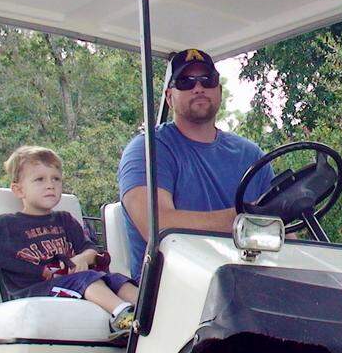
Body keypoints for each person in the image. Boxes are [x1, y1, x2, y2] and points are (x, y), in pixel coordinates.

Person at [117, 48, 274, 277]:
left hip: (248, 282)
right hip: (173, 288)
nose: (198, 87)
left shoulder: (252, 155)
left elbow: (284, 231)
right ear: (169, 97)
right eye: (185, 82)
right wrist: (247, 219)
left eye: (207, 80)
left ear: (219, 90)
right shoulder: (148, 149)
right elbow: (158, 226)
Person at [0, 146, 138, 336]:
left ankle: (149, 314)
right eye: (40, 179)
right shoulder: (6, 226)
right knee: (86, 278)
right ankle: (123, 315)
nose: (50, 185)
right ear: (18, 189)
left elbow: (90, 250)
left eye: (56, 179)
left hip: (73, 280)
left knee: (116, 279)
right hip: (35, 290)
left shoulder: (65, 220)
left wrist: (82, 258)